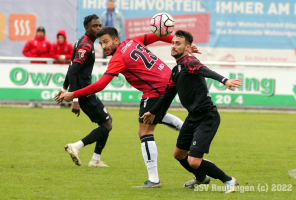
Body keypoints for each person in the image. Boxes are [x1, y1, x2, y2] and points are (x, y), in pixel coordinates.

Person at [58, 27, 200, 188]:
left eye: (106, 42)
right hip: (169, 81)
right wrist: (187, 45)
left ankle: (153, 180)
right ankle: (189, 130)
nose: (104, 46)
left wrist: (73, 93)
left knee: (145, 131)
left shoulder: (118, 58)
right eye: (101, 43)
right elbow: (158, 36)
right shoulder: (132, 41)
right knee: (153, 117)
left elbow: (100, 85)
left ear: (116, 40)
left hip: (155, 89)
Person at [141, 30, 242, 193]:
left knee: (194, 160)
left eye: (178, 44)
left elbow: (204, 70)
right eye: (173, 43)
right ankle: (202, 178)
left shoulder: (189, 61)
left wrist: (225, 80)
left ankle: (228, 180)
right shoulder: (176, 70)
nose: (173, 46)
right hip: (193, 117)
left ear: (188, 47)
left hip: (207, 116)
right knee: (179, 154)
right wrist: (153, 112)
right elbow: (167, 95)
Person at [54, 14, 112, 168]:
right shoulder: (86, 45)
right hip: (84, 92)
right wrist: (75, 99)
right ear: (86, 27)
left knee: (106, 123)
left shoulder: (82, 41)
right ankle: (77, 147)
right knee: (107, 125)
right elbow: (73, 71)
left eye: (99, 25)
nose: (98, 28)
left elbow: (71, 67)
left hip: (81, 91)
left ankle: (95, 160)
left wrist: (64, 88)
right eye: (95, 26)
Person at [100, 0, 125, 64]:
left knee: (116, 51)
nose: (110, 5)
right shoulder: (103, 15)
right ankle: (104, 65)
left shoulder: (119, 14)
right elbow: (101, 26)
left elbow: (122, 25)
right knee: (105, 50)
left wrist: (119, 35)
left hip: (115, 36)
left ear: (114, 5)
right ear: (107, 5)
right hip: (105, 36)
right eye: (109, 4)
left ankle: (117, 64)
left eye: (111, 4)